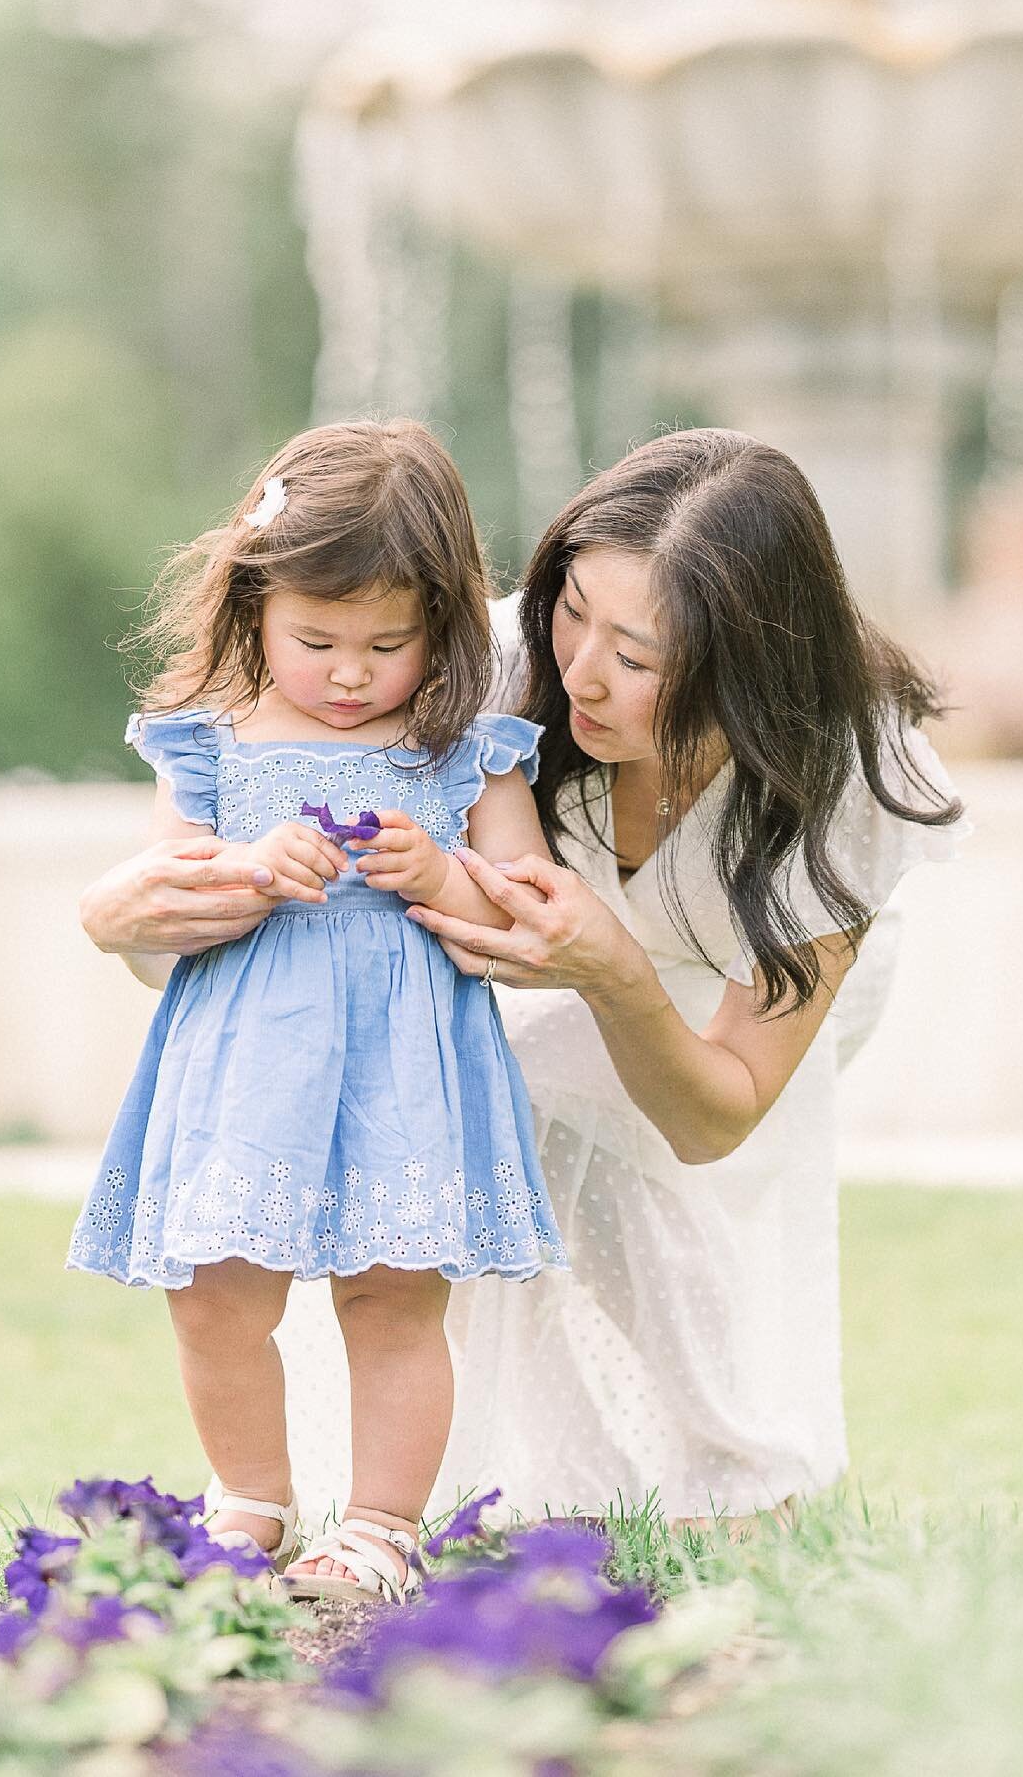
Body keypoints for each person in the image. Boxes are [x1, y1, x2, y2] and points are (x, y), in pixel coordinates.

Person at [81, 427, 968, 1532]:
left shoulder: (848, 771)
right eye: (571, 608)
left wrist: (614, 972)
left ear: (744, 672)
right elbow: (223, 870)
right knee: (512, 1116)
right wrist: (116, 915)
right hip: (560, 950)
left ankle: (739, 1469)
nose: (580, 671)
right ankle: (566, 1478)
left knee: (649, 1174)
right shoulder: (455, 657)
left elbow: (717, 1112)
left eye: (638, 658)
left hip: (740, 996)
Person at [67, 419, 567, 1603]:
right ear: (252, 608)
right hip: (249, 1060)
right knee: (215, 1290)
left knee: (393, 1295)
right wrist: (247, 869)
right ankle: (249, 1494)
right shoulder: (210, 742)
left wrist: (444, 875)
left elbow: (535, 913)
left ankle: (382, 1522)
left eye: (388, 643)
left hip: (403, 1061)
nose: (350, 671)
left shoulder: (460, 751)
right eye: (316, 638)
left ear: (442, 625)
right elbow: (164, 894)